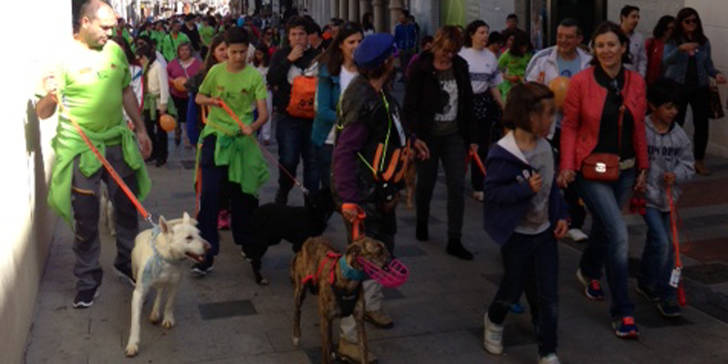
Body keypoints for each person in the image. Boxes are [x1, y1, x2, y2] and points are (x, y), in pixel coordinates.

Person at [35, 0, 152, 308]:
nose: (110, 33)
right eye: (105, 27)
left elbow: (126, 91)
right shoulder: (61, 58)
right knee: (86, 219)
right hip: (80, 148)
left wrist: (140, 129)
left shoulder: (115, 51)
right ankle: (88, 278)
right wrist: (50, 94)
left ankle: (126, 263)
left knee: (127, 208)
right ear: (85, 22)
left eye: (113, 27)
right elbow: (42, 112)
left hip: (116, 143)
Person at [332, 33, 425, 363]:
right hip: (363, 195)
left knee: (382, 249)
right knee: (359, 261)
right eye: (394, 56)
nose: (397, 60)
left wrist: (411, 141)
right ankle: (346, 335)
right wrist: (347, 198)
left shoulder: (381, 91)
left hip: (382, 190)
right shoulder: (362, 98)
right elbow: (345, 150)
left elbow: (393, 125)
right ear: (386, 62)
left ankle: (371, 307)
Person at [558, 21, 648, 339]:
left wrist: (643, 166)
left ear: (623, 48)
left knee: (606, 229)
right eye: (600, 46)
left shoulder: (636, 82)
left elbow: (638, 126)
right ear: (592, 50)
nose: (607, 51)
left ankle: (589, 269)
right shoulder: (581, 82)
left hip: (624, 169)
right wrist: (567, 165)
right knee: (619, 234)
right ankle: (623, 311)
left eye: (612, 44)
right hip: (591, 168)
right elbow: (569, 126)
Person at [482, 82, 568, 364]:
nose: (550, 121)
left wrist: (560, 216)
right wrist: (523, 190)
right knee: (513, 286)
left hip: (543, 233)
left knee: (547, 295)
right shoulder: (502, 153)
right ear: (526, 115)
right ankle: (494, 320)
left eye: (553, 114)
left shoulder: (546, 148)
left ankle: (548, 350)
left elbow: (553, 188)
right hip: (516, 235)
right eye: (546, 114)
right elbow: (492, 194)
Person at [193, 27, 269, 275]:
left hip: (242, 140)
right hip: (216, 136)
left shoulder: (254, 76)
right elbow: (199, 98)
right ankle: (206, 252)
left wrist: (253, 126)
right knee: (210, 195)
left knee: (243, 195)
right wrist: (213, 101)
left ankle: (247, 242)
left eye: (241, 52)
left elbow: (264, 113)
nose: (237, 57)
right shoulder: (215, 72)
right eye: (232, 52)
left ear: (248, 50)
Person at [404, 26, 477, 260]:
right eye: (445, 50)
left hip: (455, 134)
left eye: (453, 51)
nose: (448, 55)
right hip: (428, 136)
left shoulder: (460, 66)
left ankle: (454, 238)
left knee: (457, 185)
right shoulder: (421, 67)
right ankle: (422, 220)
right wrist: (414, 137)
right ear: (436, 45)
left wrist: (473, 138)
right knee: (426, 182)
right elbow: (410, 105)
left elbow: (468, 102)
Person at [525, 18, 592, 242]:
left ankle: (575, 220)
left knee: (574, 174)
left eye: (569, 37)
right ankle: (544, 216)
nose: (563, 41)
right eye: (560, 36)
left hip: (579, 128)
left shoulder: (589, 62)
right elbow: (528, 89)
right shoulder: (543, 59)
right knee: (546, 173)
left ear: (579, 39)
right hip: (548, 127)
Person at [638, 78, 695, 318]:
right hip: (647, 198)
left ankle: (648, 280)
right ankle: (665, 292)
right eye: (668, 107)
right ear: (653, 106)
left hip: (669, 199)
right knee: (664, 243)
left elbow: (688, 166)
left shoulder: (680, 136)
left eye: (676, 107)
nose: (674, 112)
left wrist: (678, 174)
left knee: (661, 243)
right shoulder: (641, 130)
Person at [663, 7, 727, 176]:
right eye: (687, 21)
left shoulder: (703, 42)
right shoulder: (674, 40)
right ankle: (672, 159)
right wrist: (680, 49)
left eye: (694, 21)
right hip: (678, 85)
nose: (692, 24)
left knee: (701, 124)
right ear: (681, 23)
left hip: (699, 87)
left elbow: (708, 65)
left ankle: (699, 160)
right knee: (676, 123)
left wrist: (717, 74)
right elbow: (666, 61)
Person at [268, 16, 322, 205]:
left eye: (301, 34)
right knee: (289, 160)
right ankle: (284, 189)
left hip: (313, 119)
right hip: (288, 118)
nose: (298, 38)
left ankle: (311, 204)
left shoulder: (317, 56)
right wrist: (288, 61)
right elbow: (272, 79)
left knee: (312, 164)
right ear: (288, 37)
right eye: (294, 34)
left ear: (308, 36)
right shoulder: (280, 55)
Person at [311, 22, 363, 190]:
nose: (357, 46)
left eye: (360, 41)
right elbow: (323, 109)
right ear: (341, 45)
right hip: (330, 139)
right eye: (351, 42)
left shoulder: (367, 72)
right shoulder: (329, 71)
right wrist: (350, 120)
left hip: (359, 141)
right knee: (333, 191)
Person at [459, 20, 504, 202]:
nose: (485, 36)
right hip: (464, 103)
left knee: (483, 146)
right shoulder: (462, 55)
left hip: (484, 103)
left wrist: (503, 105)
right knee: (463, 144)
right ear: (472, 34)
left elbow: (493, 85)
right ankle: (458, 180)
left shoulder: (491, 57)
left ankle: (479, 185)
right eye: (482, 32)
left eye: (487, 32)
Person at [137, 43, 171, 167]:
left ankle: (162, 155)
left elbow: (164, 86)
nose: (140, 61)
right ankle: (153, 152)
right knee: (149, 129)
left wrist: (163, 104)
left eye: (141, 58)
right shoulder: (145, 68)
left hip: (157, 102)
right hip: (148, 102)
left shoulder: (159, 67)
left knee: (161, 130)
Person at [167, 42, 203, 146]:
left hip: (191, 95)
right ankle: (177, 132)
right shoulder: (173, 63)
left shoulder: (197, 64)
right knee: (177, 116)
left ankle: (188, 137)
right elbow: (167, 75)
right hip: (176, 95)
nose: (184, 52)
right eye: (182, 50)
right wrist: (174, 82)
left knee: (190, 116)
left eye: (186, 50)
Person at [498, 30, 532, 101]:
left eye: (526, 46)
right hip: (510, 86)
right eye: (522, 47)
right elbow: (497, 71)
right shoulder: (507, 55)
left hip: (526, 85)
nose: (524, 49)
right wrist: (508, 77)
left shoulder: (529, 54)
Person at [252, 45, 273, 145]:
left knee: (267, 112)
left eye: (260, 54)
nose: (258, 56)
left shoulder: (269, 66)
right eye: (256, 54)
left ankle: (266, 136)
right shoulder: (253, 66)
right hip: (254, 92)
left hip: (266, 91)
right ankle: (256, 133)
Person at [645, 15, 675, 86]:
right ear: (663, 29)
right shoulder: (651, 43)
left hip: (670, 84)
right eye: (671, 28)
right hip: (652, 84)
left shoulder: (675, 46)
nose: (673, 31)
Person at [619, 5, 647, 77]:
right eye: (633, 16)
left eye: (638, 17)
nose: (636, 20)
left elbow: (642, 60)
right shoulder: (611, 34)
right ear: (623, 17)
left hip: (632, 79)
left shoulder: (639, 38)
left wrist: (641, 76)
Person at [393, 9, 417, 80]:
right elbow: (396, 38)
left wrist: (413, 46)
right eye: (400, 16)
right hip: (402, 49)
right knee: (403, 64)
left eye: (402, 16)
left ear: (406, 17)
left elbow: (415, 36)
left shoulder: (412, 26)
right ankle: (404, 77)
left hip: (410, 48)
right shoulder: (398, 27)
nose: (400, 18)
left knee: (411, 64)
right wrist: (397, 49)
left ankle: (410, 77)